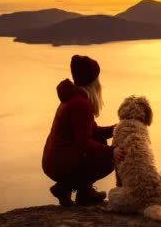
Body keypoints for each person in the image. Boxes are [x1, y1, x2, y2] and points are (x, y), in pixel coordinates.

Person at [42, 55, 126, 206]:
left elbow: (93, 131)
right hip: (61, 163)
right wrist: (111, 151)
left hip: (55, 160)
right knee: (109, 160)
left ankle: (83, 192)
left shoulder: (73, 98)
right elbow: (84, 142)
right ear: (92, 82)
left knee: (100, 142)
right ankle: (67, 187)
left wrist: (118, 128)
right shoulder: (80, 104)